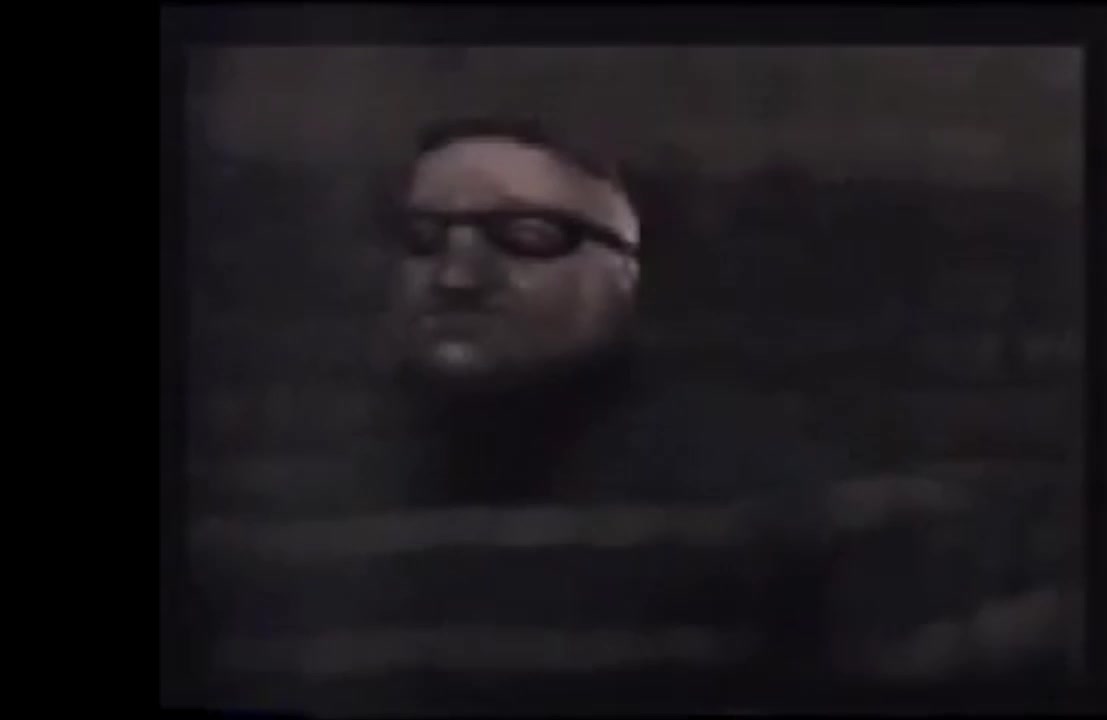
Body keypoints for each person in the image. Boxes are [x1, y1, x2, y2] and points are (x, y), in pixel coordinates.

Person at [200, 118, 846, 715]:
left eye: (527, 236)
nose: (456, 276)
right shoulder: (277, 503)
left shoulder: (751, 507)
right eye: (422, 238)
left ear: (626, 271)